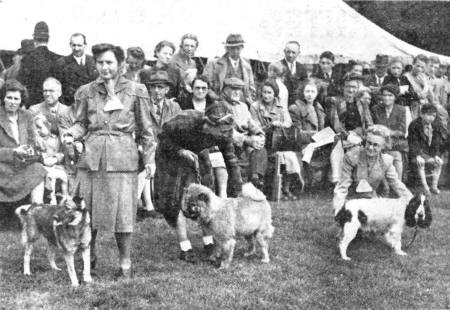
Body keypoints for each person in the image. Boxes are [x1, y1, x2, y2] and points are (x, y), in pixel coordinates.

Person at [65, 43, 155, 279]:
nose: (104, 67)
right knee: (87, 212)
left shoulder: (136, 90)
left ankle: (125, 263)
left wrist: (149, 159)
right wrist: (70, 134)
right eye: (100, 63)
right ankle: (89, 257)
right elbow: (81, 123)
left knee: (123, 215)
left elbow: (147, 130)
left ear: (120, 64)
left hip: (122, 159)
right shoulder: (86, 91)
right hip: (92, 158)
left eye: (109, 62)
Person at [154, 102, 242, 263]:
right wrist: (180, 151)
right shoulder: (186, 121)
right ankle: (185, 247)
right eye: (220, 132)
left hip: (198, 154)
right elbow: (162, 137)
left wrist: (236, 188)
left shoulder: (224, 133)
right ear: (208, 123)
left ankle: (208, 242)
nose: (223, 136)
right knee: (179, 199)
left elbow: (231, 161)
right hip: (171, 154)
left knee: (205, 196)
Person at [333, 124, 412, 214]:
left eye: (375, 145)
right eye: (369, 143)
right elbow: (342, 186)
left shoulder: (386, 161)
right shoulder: (351, 157)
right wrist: (338, 209)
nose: (370, 148)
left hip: (372, 202)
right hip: (351, 202)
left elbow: (397, 184)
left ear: (383, 146)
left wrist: (412, 201)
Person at [137, 70, 181, 219]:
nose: (156, 91)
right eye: (153, 87)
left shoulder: (174, 107)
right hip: (145, 146)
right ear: (149, 88)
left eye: (160, 87)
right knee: (145, 165)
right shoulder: (143, 105)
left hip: (167, 148)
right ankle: (148, 206)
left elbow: (179, 129)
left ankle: (159, 204)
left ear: (167, 90)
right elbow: (138, 129)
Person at [0, 79, 46, 204]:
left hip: (21, 165)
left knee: (38, 169)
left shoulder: (27, 116)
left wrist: (29, 151)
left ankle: (37, 210)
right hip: (3, 168)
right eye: (9, 98)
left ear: (21, 100)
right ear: (3, 98)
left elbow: (31, 143)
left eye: (16, 99)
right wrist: (14, 152)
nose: (12, 102)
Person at [250, 79, 297, 199]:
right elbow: (254, 126)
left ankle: (285, 189)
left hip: (278, 141)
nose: (266, 95)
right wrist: (268, 126)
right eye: (264, 92)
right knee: (260, 150)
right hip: (262, 138)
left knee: (289, 156)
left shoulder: (281, 106)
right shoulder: (255, 106)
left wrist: (279, 124)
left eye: (269, 93)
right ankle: (258, 180)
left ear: (274, 93)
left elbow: (288, 123)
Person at [219, 77, 266, 189]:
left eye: (239, 89)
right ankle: (247, 184)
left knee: (261, 150)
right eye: (233, 89)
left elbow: (252, 124)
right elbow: (226, 130)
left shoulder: (243, 106)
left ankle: (255, 178)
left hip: (246, 145)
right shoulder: (221, 106)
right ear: (225, 90)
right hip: (230, 143)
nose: (236, 92)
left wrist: (260, 135)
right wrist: (247, 140)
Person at [17, 21, 61, 107]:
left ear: (34, 40)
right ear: (48, 39)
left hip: (32, 105)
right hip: (52, 105)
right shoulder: (57, 59)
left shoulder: (27, 59)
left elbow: (19, 84)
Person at [205, 33, 256, 105]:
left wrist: (248, 101)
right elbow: (206, 86)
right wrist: (217, 99)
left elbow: (252, 89)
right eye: (232, 48)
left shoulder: (246, 66)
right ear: (227, 48)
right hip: (220, 104)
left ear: (242, 47)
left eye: (238, 48)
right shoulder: (215, 64)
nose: (235, 51)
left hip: (241, 104)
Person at [371, 84, 408, 180]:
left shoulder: (401, 110)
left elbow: (402, 131)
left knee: (397, 155)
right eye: (384, 95)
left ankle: (398, 183)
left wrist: (389, 132)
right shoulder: (376, 109)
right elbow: (372, 127)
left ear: (395, 97)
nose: (387, 98)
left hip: (394, 142)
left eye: (390, 95)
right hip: (379, 142)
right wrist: (379, 130)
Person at [408, 104, 445, 195]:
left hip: (429, 153)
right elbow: (413, 142)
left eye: (433, 115)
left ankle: (434, 186)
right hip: (417, 152)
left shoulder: (436, 125)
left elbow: (436, 142)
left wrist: (436, 155)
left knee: (439, 162)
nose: (431, 118)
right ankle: (425, 187)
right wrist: (417, 155)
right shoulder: (414, 125)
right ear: (422, 114)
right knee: (421, 163)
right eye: (428, 115)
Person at [52, 33, 97, 106]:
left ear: (85, 45)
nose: (76, 49)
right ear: (70, 45)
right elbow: (57, 91)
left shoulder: (94, 61)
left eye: (79, 45)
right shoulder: (61, 64)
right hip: (72, 107)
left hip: (92, 107)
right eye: (74, 45)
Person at [33, 114, 68, 204]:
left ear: (48, 126)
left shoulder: (56, 139)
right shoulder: (36, 140)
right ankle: (52, 200)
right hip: (43, 167)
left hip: (56, 166)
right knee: (50, 177)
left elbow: (61, 153)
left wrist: (56, 159)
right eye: (35, 128)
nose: (37, 130)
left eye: (39, 127)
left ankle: (65, 198)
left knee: (64, 177)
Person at [274, 41, 308, 106]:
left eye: (293, 52)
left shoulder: (302, 68)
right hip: (281, 102)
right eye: (288, 52)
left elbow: (304, 86)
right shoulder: (277, 66)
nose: (290, 55)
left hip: (298, 104)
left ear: (298, 53)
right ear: (284, 51)